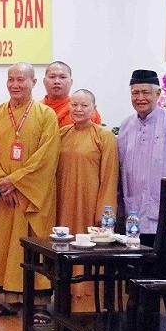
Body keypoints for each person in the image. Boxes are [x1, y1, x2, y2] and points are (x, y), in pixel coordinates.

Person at [0, 63, 59, 321]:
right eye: (11, 80)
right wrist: (1, 183)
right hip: (5, 196)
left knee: (34, 242)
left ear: (33, 83)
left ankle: (38, 301)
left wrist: (14, 181)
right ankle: (10, 300)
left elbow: (46, 157)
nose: (15, 85)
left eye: (21, 80)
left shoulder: (46, 115)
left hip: (33, 195)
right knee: (6, 244)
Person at [118, 69, 166, 284]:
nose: (140, 98)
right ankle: (143, 319)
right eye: (135, 93)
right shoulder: (125, 126)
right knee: (139, 279)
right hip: (135, 217)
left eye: (146, 92)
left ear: (158, 94)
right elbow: (122, 170)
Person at [56, 88, 118, 298]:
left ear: (94, 108)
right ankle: (64, 290)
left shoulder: (104, 137)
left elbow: (110, 176)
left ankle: (88, 294)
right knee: (64, 244)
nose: (79, 109)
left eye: (84, 105)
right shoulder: (62, 133)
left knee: (88, 247)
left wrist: (104, 214)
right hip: (63, 202)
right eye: (74, 105)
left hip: (90, 204)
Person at [42, 61, 102, 127]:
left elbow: (96, 134)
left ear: (71, 82)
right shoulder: (36, 110)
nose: (57, 81)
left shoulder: (86, 111)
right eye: (52, 77)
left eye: (62, 77)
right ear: (44, 81)